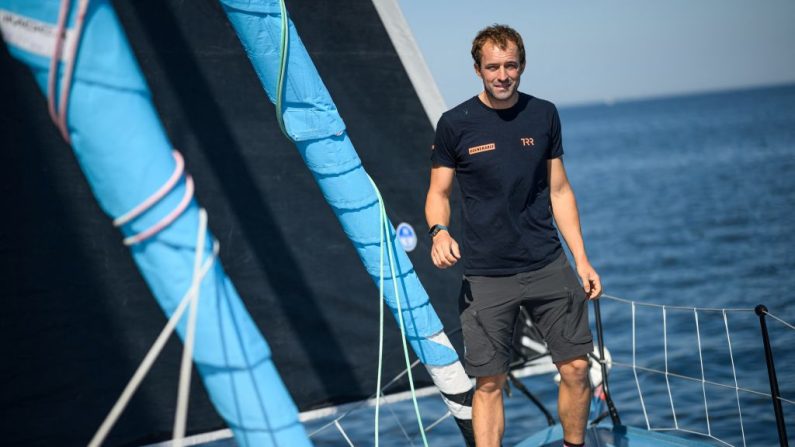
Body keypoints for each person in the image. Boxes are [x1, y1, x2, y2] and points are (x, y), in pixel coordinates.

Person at [424, 24, 602, 447]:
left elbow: (559, 190)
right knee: (489, 381)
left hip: (547, 264)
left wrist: (582, 259)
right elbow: (438, 193)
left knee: (576, 368)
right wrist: (438, 231)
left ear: (521, 66)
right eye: (492, 67)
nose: (502, 75)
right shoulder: (455, 124)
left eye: (510, 65)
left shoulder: (544, 114)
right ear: (477, 69)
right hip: (486, 276)